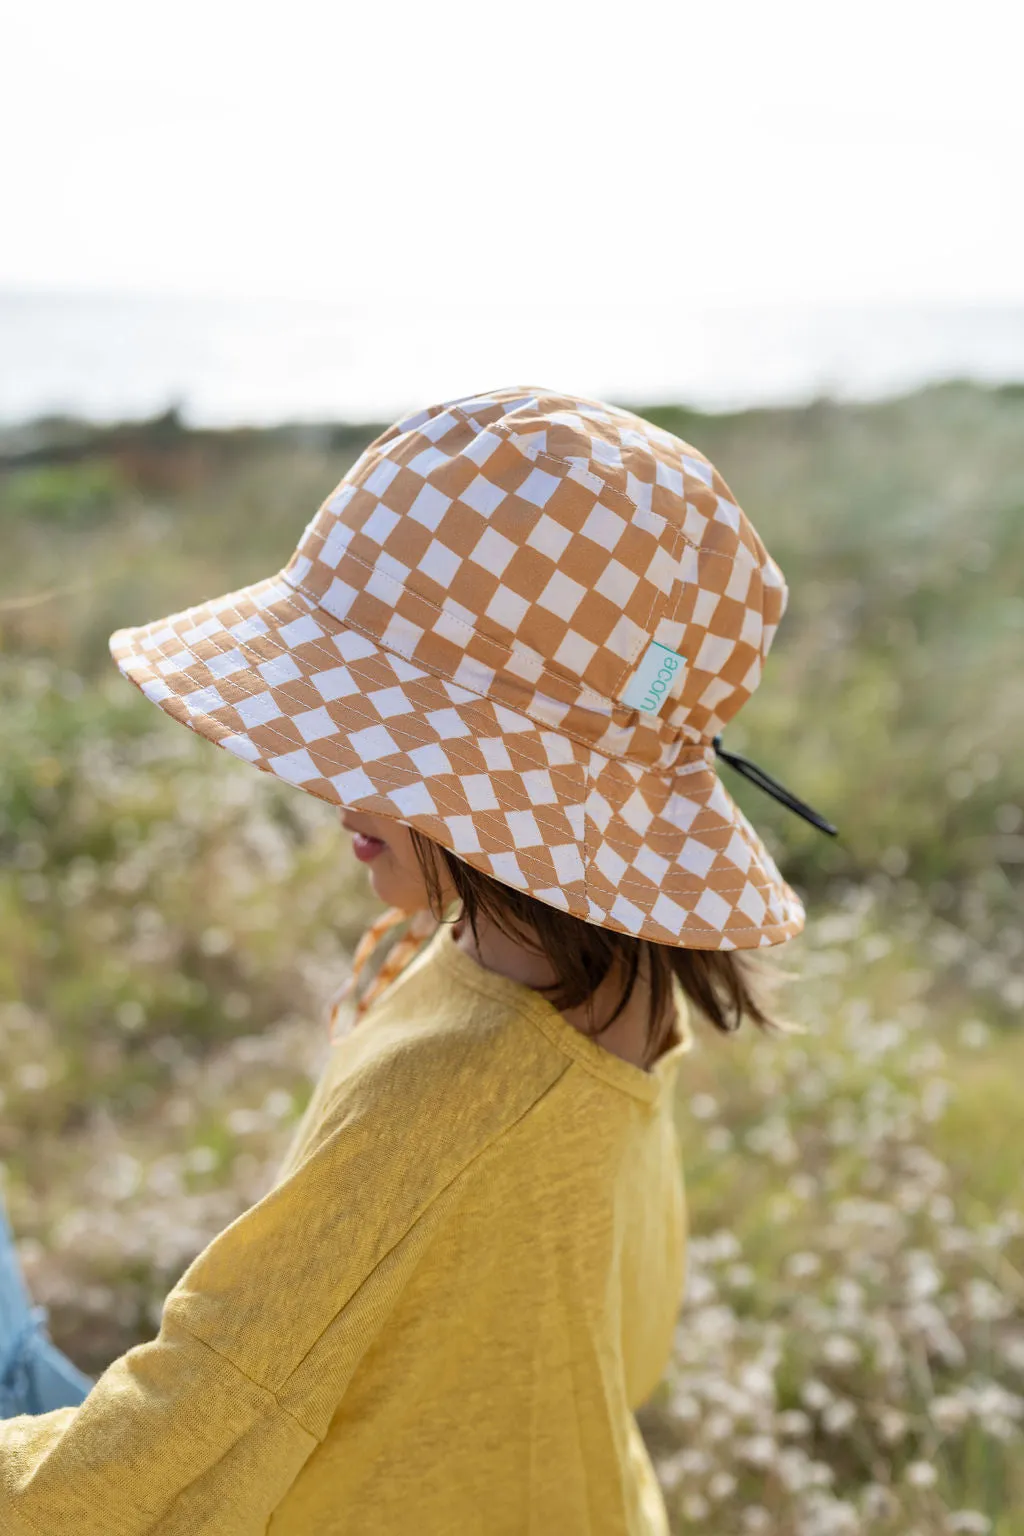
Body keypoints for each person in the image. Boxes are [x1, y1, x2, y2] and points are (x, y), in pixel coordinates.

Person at [0, 385, 836, 1534]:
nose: (327, 780)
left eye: (381, 744)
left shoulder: (450, 1083)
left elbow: (192, 1420)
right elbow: (626, 1343)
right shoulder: (635, 989)